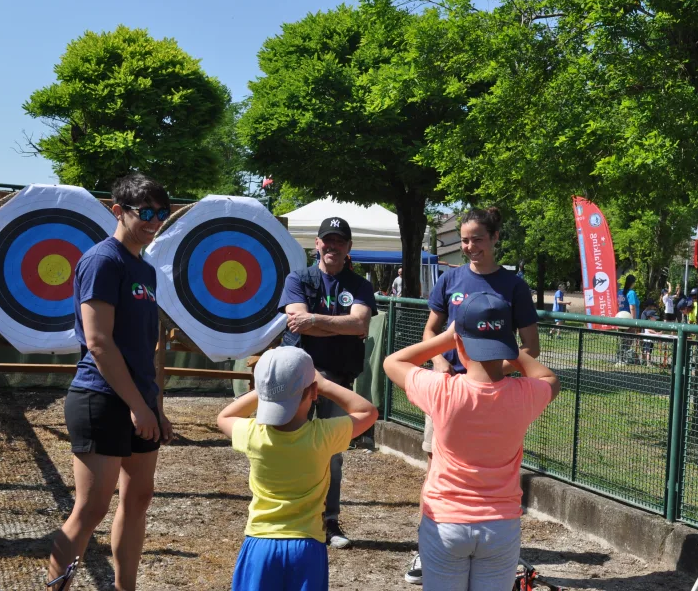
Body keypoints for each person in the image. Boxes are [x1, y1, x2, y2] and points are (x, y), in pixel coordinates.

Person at [384, 293, 560, 591]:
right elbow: (549, 378)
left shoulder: (441, 390)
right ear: (505, 344)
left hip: (445, 521)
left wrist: (447, 338)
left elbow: (394, 362)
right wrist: (513, 349)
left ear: (460, 342)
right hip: (500, 526)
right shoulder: (524, 395)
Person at [47, 174, 173, 591]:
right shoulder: (103, 260)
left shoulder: (145, 269)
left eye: (162, 213)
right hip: (100, 398)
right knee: (91, 508)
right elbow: (99, 343)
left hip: (137, 401)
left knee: (137, 501)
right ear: (118, 210)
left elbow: (144, 347)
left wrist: (154, 405)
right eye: (146, 213)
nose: (154, 222)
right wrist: (138, 406)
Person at [406, 206, 540, 584]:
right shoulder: (450, 281)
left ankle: (490, 544)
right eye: (464, 240)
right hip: (449, 392)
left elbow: (531, 346)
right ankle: (427, 549)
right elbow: (431, 332)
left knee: (491, 466)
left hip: (493, 392)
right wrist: (440, 366)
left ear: (495, 238)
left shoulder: (513, 286)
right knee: (438, 469)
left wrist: (497, 372)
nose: (470, 247)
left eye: (477, 239)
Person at [217, 347, 378, 590]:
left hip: (259, 545)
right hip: (307, 547)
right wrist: (323, 384)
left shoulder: (252, 434)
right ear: (313, 391)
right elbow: (367, 411)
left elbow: (224, 417)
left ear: (260, 391)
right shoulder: (322, 435)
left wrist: (265, 390)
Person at [279, 216, 377, 550]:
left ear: (349, 247)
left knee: (333, 452)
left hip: (339, 377)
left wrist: (315, 320)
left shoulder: (360, 285)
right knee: (291, 444)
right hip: (298, 377)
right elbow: (296, 323)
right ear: (317, 244)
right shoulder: (298, 277)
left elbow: (360, 324)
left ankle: (328, 520)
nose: (332, 246)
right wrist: (339, 324)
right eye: (327, 240)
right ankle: (294, 517)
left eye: (339, 241)